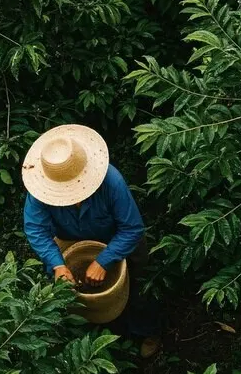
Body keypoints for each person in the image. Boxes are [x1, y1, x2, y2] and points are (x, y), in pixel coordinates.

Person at [21, 123, 162, 358]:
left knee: (139, 288)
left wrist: (103, 261)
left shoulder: (111, 181)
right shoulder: (40, 190)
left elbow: (132, 228)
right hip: (72, 239)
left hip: (118, 238)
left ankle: (147, 331)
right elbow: (35, 229)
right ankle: (94, 338)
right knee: (70, 290)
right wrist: (58, 265)